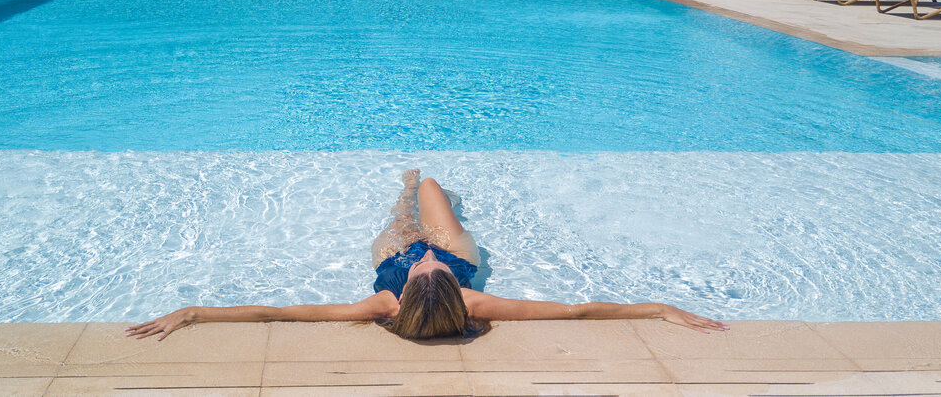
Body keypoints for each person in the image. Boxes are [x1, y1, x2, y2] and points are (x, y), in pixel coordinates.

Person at [126, 171, 728, 342]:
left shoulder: (384, 302)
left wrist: (194, 312)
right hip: (463, 253)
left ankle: (403, 191)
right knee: (435, 193)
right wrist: (658, 307)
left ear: (411, 287)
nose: (425, 257)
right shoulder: (471, 298)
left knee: (397, 224)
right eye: (426, 264)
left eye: (425, 266)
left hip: (386, 259)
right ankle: (426, 187)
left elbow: (280, 313)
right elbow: (575, 312)